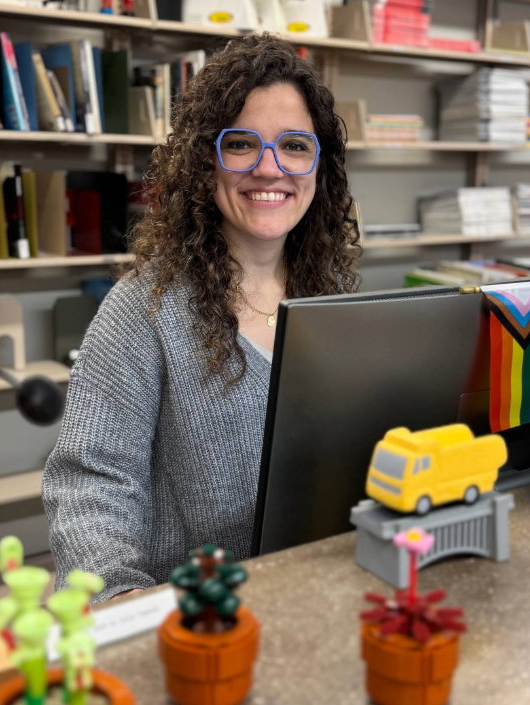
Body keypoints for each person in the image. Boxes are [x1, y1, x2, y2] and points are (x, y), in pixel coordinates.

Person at [43, 34, 360, 601]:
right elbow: (90, 485)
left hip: (325, 593)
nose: (270, 169)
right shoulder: (142, 311)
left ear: (320, 165)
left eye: (294, 146)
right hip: (197, 623)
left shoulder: (334, 298)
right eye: (241, 144)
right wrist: (117, 597)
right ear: (203, 159)